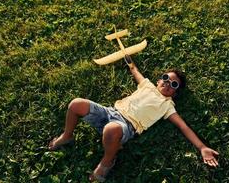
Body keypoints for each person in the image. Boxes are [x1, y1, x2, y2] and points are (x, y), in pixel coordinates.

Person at [48, 55, 219, 182]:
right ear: (159, 80)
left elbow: (184, 127)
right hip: (109, 112)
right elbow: (135, 71)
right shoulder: (147, 85)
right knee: (76, 104)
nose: (167, 84)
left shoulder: (167, 105)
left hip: (126, 126)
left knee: (111, 130)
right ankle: (67, 135)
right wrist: (129, 61)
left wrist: (202, 147)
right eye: (166, 79)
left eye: (173, 85)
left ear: (175, 93)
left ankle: (108, 161)